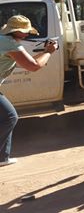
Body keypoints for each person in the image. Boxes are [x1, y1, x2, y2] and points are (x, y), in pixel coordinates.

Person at [0, 15, 58, 167]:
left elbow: (29, 63)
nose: (27, 34)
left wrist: (45, 51)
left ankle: (2, 157)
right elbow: (34, 66)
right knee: (10, 117)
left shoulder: (4, 41)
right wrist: (50, 52)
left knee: (6, 117)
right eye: (25, 31)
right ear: (16, 31)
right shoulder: (10, 44)